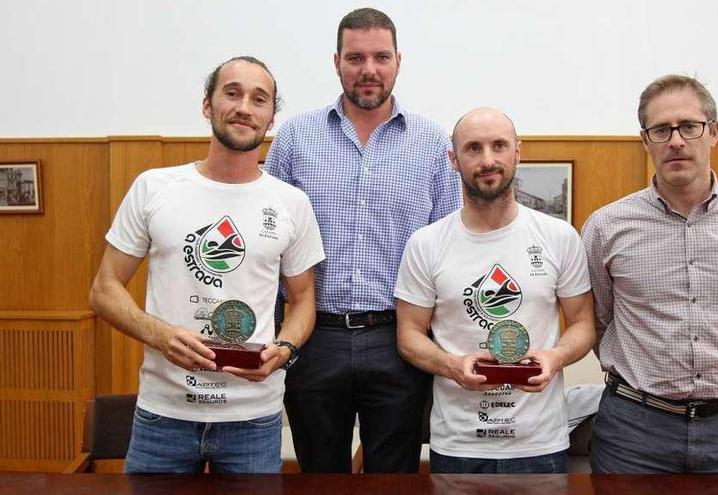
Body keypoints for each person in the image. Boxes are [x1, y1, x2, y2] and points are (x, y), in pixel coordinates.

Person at [89, 56, 325, 473]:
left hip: (252, 417)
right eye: (232, 93)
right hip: (164, 414)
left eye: (259, 99)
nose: (244, 108)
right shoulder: (154, 187)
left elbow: (304, 300)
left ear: (271, 118)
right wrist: (160, 335)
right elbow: (104, 288)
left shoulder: (291, 203)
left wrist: (285, 349)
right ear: (207, 105)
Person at [263, 7, 461, 473]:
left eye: (380, 57)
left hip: (400, 338)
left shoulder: (433, 143)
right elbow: (268, 229)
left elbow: (447, 248)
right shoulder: (295, 137)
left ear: (398, 61)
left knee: (394, 476)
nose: (368, 70)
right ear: (337, 62)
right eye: (355, 58)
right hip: (313, 336)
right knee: (319, 474)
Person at [581, 74, 718, 475]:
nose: (675, 140)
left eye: (688, 126)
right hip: (634, 432)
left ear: (713, 133)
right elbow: (601, 320)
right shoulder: (606, 226)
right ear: (645, 141)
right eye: (661, 129)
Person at [395, 107, 596, 474]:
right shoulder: (426, 243)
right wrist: (452, 365)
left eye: (498, 146)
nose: (487, 160)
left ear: (517, 152)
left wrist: (556, 358)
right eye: (473, 148)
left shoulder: (559, 237)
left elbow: (583, 323)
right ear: (453, 159)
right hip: (458, 444)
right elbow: (408, 335)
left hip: (539, 443)